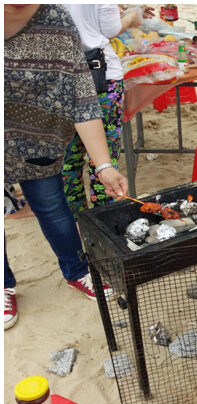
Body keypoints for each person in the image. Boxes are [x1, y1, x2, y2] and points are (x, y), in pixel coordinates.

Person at [4, 4, 128, 330]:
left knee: (52, 205)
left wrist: (104, 165)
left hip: (38, 140)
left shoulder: (54, 19)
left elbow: (81, 97)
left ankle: (77, 270)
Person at [62, 4, 153, 216]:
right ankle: (102, 221)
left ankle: (77, 223)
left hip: (60, 77)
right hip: (102, 76)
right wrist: (132, 16)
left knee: (68, 162)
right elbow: (111, 29)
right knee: (104, 162)